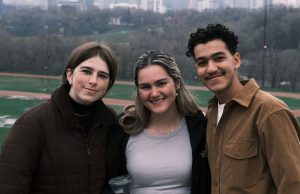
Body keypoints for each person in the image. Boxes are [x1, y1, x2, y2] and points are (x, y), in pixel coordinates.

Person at [186, 23, 300, 194]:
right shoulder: (211, 114)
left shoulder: (269, 112)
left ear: (236, 60)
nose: (211, 68)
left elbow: (293, 184)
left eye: (218, 58)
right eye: (202, 62)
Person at [0, 42, 118, 194]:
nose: (93, 81)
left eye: (102, 75)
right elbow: (9, 186)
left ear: (109, 84)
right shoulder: (33, 122)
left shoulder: (109, 121)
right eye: (87, 71)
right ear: (70, 75)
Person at [105, 50, 210, 194]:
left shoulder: (200, 127)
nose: (154, 93)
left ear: (177, 83)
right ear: (138, 90)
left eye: (161, 83)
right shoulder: (123, 128)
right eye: (145, 87)